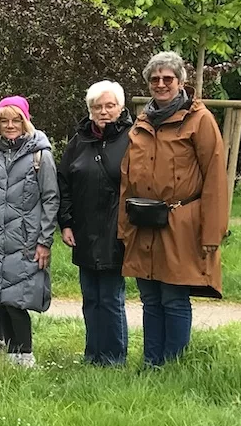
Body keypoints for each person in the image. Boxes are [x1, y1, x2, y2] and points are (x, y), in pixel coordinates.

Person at [118, 51, 228, 366]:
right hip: (143, 221)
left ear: (181, 82)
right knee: (150, 298)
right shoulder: (141, 120)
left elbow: (215, 179)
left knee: (173, 298)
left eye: (168, 78)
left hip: (181, 222)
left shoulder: (200, 119)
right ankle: (152, 364)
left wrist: (212, 231)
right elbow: (127, 177)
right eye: (155, 79)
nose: (161, 84)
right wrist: (123, 226)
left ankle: (174, 366)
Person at [0, 96, 59, 367]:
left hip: (25, 240)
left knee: (17, 301)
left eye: (16, 120)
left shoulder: (40, 155)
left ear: (25, 121)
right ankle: (11, 356)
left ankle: (26, 356)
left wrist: (44, 240)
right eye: (4, 120)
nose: (10, 125)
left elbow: (51, 199)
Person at [58, 81, 133, 366]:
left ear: (120, 108)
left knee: (111, 298)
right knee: (91, 297)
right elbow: (63, 183)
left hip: (118, 228)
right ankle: (93, 355)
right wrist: (65, 222)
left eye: (109, 106)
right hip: (85, 229)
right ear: (90, 111)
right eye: (97, 107)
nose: (104, 112)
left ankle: (114, 359)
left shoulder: (133, 137)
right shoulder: (79, 141)